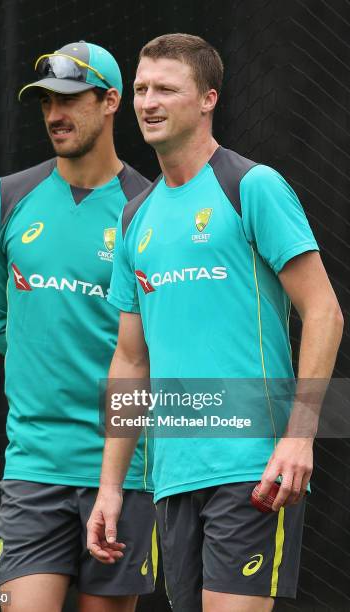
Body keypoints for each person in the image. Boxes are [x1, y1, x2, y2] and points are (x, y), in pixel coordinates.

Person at [86, 33, 344, 612]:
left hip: (252, 467)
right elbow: (131, 359)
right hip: (172, 477)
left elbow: (324, 311)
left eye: (166, 89)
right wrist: (109, 488)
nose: (149, 102)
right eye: (141, 89)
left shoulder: (251, 186)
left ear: (208, 99)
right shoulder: (136, 217)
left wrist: (301, 435)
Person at [0, 40, 156, 612]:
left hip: (125, 471)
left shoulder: (148, 211)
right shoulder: (5, 200)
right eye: (46, 101)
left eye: (71, 100)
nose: (55, 114)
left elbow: (153, 348)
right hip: (34, 467)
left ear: (110, 102)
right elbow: (0, 323)